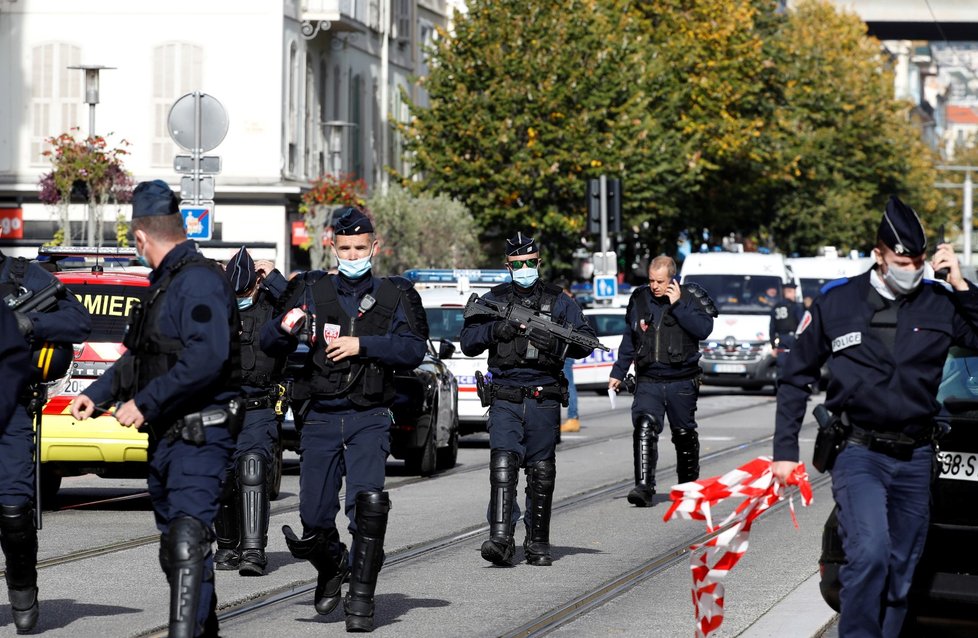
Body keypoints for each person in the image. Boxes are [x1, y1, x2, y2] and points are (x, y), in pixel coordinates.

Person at [772, 195, 978, 637]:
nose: (911, 267)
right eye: (903, 259)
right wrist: (784, 451)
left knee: (902, 571)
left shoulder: (940, 302)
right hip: (860, 452)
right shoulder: (838, 302)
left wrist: (960, 284)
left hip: (918, 455)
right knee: (868, 553)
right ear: (878, 255)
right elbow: (795, 376)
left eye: (919, 259)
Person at [71, 179, 242, 638]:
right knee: (178, 550)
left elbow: (207, 358)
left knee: (188, 541)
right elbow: (137, 359)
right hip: (165, 439)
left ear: (142, 236)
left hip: (200, 436)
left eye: (136, 245)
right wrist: (99, 393)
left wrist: (144, 403)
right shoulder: (161, 288)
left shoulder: (201, 282)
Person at [260, 207, 427, 632]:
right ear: (332, 246)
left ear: (375, 247)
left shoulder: (397, 293)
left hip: (369, 415)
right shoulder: (310, 288)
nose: (353, 254)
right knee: (314, 517)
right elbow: (268, 340)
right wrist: (285, 327)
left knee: (367, 507)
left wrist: (362, 345)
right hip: (319, 415)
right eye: (345, 247)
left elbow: (412, 350)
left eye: (360, 247)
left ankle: (361, 601)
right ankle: (333, 565)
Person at [460, 233, 597, 567]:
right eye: (517, 264)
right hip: (505, 395)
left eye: (529, 263)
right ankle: (501, 539)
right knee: (503, 465)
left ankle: (538, 542)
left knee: (541, 471)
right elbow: (468, 341)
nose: (524, 269)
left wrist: (553, 343)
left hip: (543, 397)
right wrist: (498, 330)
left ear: (538, 263)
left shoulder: (559, 301)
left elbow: (586, 341)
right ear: (508, 266)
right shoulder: (494, 300)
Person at [0, 244, 91, 633]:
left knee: (14, 512)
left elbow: (78, 322)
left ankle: (23, 590)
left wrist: (30, 324)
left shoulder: (23, 276)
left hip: (11, 415)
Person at [609, 255, 716, 507]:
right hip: (649, 380)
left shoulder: (690, 298)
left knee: (683, 433)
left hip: (682, 380)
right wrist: (618, 371)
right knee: (644, 426)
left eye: (660, 281)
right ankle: (644, 486)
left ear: (672, 279)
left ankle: (688, 488)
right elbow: (630, 339)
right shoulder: (640, 298)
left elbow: (703, 329)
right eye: (651, 281)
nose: (655, 286)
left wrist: (678, 305)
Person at [213, 247, 290, 576]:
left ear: (257, 284)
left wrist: (275, 278)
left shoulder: (274, 307)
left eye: (246, 291)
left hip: (259, 404)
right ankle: (228, 547)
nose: (241, 297)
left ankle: (254, 552)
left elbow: (306, 311)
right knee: (220, 477)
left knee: (253, 469)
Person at [555, 279, 581, 434]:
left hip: (566, 349)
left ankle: (573, 417)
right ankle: (571, 417)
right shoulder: (572, 305)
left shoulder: (571, 306)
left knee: (568, 384)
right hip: (562, 349)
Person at [770, 282, 805, 375]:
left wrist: (773, 346)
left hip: (781, 339)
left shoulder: (776, 307)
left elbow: (772, 328)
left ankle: (780, 386)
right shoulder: (795, 307)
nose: (794, 295)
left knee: (781, 365)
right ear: (788, 292)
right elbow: (802, 324)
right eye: (793, 292)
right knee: (795, 364)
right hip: (793, 338)